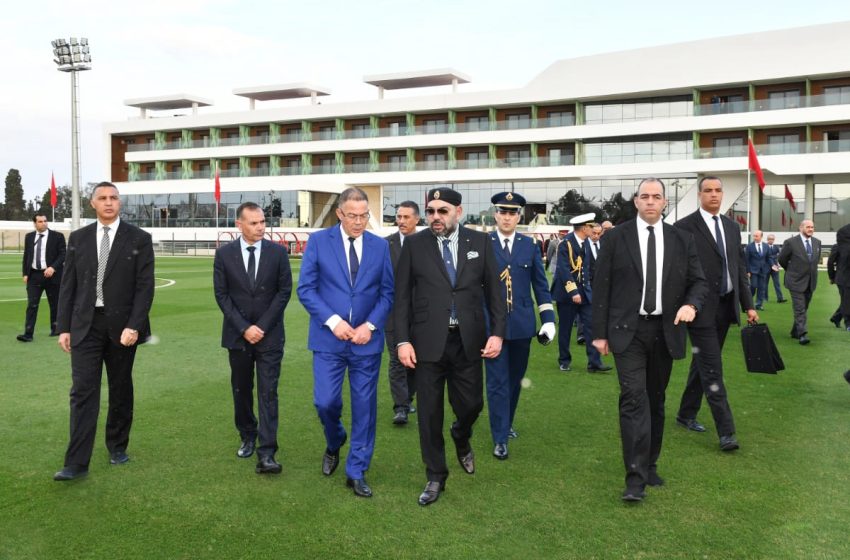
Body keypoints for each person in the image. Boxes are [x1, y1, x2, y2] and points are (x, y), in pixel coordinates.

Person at [591, 178, 706, 502]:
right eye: (645, 196)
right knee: (633, 399)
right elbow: (601, 287)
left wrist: (690, 304)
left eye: (657, 196)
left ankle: (650, 463)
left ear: (665, 202)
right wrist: (599, 334)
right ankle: (635, 479)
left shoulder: (682, 239)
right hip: (627, 332)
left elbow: (698, 282)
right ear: (636, 201)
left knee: (655, 400)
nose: (651, 201)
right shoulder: (615, 237)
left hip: (665, 331)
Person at [394, 187, 505, 506]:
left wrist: (497, 333)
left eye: (442, 211)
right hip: (426, 344)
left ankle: (461, 434)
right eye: (430, 211)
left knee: (471, 406)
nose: (435, 217)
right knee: (429, 414)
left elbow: (494, 294)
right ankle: (435, 476)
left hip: (468, 341)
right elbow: (401, 297)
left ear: (458, 210)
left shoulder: (480, 242)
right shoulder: (415, 245)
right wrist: (402, 340)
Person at [53, 182, 155, 481]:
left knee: (120, 389)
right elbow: (68, 284)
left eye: (114, 198)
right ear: (92, 203)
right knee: (83, 392)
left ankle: (117, 445)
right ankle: (76, 463)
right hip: (85, 325)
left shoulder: (139, 238)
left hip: (123, 327)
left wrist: (134, 326)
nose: (109, 202)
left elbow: (145, 287)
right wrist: (64, 327)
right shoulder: (79, 238)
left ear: (119, 203)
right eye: (103, 198)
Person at [297, 187, 394, 498]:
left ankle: (356, 470)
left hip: (367, 342)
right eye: (352, 215)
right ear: (339, 213)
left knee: (365, 408)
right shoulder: (318, 242)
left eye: (364, 215)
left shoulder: (380, 247)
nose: (358, 221)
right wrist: (334, 321)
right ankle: (335, 438)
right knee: (325, 403)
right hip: (328, 340)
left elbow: (387, 293)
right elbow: (306, 289)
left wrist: (370, 325)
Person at [672, 176, 757, 452]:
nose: (714, 195)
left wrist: (749, 306)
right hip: (699, 311)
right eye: (708, 190)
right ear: (699, 195)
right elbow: (676, 274)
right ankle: (726, 431)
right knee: (712, 369)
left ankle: (685, 414)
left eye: (718, 190)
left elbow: (738, 270)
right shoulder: (684, 228)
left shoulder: (732, 228)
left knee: (703, 364)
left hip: (726, 308)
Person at [213, 202, 292, 475]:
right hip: (238, 336)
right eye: (254, 223)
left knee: (268, 392)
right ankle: (247, 435)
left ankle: (267, 451)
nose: (261, 227)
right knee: (242, 389)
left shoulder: (278, 253)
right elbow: (222, 295)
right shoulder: (224, 255)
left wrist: (262, 326)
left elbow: (284, 292)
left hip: (270, 337)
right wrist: (245, 327)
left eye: (262, 222)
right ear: (239, 224)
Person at [485, 192, 556, 460]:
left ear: (519, 216)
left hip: (522, 325)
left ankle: (506, 422)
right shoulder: (483, 243)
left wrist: (548, 319)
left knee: (514, 380)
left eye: (512, 213)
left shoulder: (529, 245)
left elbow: (540, 284)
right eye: (502, 212)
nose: (507, 217)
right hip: (493, 327)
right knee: (497, 382)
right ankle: (500, 437)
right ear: (495, 215)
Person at [551, 213, 611, 373]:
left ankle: (594, 363)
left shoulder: (585, 243)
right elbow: (563, 270)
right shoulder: (565, 244)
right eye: (591, 227)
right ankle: (564, 361)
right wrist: (573, 292)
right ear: (584, 228)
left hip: (585, 293)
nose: (594, 230)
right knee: (565, 328)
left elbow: (588, 269)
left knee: (591, 326)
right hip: (567, 294)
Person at [385, 201, 420, 425]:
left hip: (421, 313)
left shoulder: (428, 244)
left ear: (417, 219)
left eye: (406, 217)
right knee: (397, 359)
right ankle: (401, 407)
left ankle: (409, 397)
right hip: (392, 312)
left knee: (417, 359)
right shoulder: (384, 245)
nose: (401, 221)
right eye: (399, 216)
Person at [18, 212, 66, 341]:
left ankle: (55, 329)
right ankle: (28, 334)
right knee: (32, 304)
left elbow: (63, 254)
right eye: (40, 221)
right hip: (34, 276)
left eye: (45, 221)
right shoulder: (29, 237)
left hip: (53, 275)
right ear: (35, 223)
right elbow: (27, 256)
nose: (43, 223)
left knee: (55, 304)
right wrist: (25, 273)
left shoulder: (57, 236)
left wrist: (53, 267)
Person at [778, 219, 822, 345]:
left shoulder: (817, 242)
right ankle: (802, 334)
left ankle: (795, 331)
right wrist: (791, 270)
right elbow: (782, 259)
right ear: (801, 228)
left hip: (810, 281)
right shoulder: (791, 242)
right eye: (808, 227)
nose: (811, 229)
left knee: (804, 307)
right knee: (800, 308)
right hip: (795, 281)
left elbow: (814, 261)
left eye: (812, 227)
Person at [827, 223, 850, 330]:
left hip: (842, 277)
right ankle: (848, 323)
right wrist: (832, 277)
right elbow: (830, 262)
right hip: (843, 279)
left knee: (846, 300)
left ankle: (836, 317)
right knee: (847, 300)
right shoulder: (838, 247)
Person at [745, 230, 771, 310]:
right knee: (753, 286)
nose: (755, 237)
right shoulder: (749, 246)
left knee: (761, 287)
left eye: (756, 236)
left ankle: (759, 304)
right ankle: (748, 302)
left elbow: (768, 258)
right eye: (754, 236)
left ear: (761, 237)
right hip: (753, 271)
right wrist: (748, 271)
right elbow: (746, 259)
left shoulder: (766, 246)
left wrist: (772, 265)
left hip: (763, 271)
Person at [765, 234, 787, 303]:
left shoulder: (776, 247)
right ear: (767, 240)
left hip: (775, 268)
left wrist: (778, 263)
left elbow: (779, 256)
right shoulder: (764, 247)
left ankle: (780, 298)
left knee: (777, 283)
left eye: (772, 239)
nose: (771, 240)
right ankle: (765, 298)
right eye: (770, 239)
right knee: (765, 284)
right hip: (766, 268)